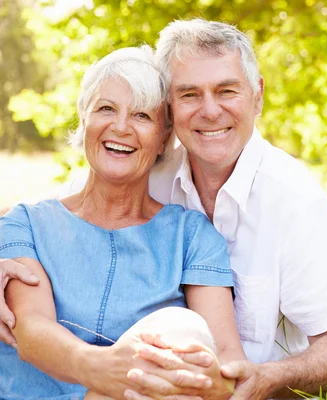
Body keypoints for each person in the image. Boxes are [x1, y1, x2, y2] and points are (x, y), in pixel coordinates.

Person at [0, 18, 327, 400]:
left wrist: (264, 377)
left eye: (226, 91)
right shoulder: (48, 212)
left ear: (257, 95)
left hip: (201, 387)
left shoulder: (290, 204)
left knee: (178, 329)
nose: (210, 111)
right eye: (189, 94)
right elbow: (55, 217)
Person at [0, 45, 245, 399]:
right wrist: (108, 369)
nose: (120, 127)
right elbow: (31, 331)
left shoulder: (191, 236)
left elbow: (227, 363)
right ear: (84, 120)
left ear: (164, 139)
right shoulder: (24, 224)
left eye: (142, 116)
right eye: (106, 109)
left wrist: (191, 374)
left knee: (182, 327)